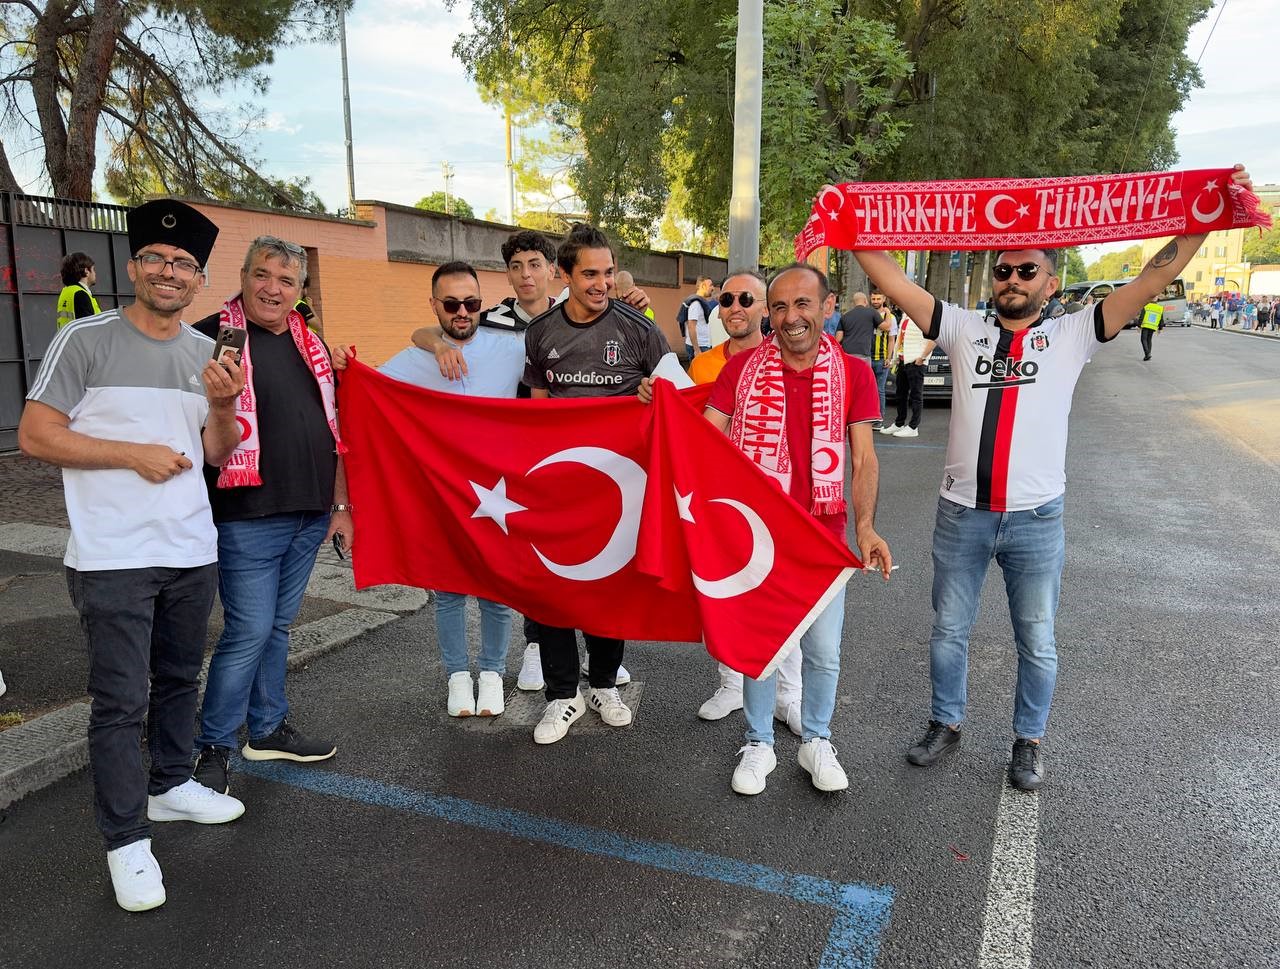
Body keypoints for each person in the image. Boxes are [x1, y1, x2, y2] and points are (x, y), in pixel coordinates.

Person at [850, 163, 1255, 792]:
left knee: (1036, 640)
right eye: (1003, 270)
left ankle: (1027, 740)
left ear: (1051, 281)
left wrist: (1207, 216)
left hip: (1037, 521)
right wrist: (850, 219)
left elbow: (1157, 274)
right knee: (948, 630)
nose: (1012, 280)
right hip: (962, 514)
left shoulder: (1074, 333)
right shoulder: (961, 327)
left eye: (1026, 270)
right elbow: (891, 276)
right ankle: (944, 722)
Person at [18, 199, 246, 912]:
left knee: (180, 677)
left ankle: (172, 784)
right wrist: (129, 453)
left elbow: (217, 449)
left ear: (199, 279)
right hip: (112, 554)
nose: (169, 271)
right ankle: (126, 840)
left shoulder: (206, 353)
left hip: (190, 547)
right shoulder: (84, 339)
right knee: (121, 701)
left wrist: (222, 406)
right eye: (156, 258)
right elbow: (34, 434)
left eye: (184, 264)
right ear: (134, 266)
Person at [644, 263, 892, 795]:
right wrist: (660, 403)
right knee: (764, 645)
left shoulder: (855, 372)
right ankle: (758, 743)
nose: (790, 317)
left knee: (824, 652)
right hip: (759, 535)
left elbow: (864, 458)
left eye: (802, 304)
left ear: (827, 308)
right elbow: (702, 444)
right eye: (779, 307)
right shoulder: (739, 373)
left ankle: (817, 740)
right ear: (769, 314)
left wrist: (866, 529)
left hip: (823, 539)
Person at [189, 236, 353, 799]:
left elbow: (334, 433)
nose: (273, 289)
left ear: (300, 290)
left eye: (286, 281)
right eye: (263, 275)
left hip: (308, 512)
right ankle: (213, 744)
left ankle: (266, 728)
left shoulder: (310, 340)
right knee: (250, 630)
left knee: (277, 628)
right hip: (248, 513)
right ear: (243, 275)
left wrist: (338, 507)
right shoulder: (216, 336)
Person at [350, 262, 522, 717]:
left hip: (495, 489)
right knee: (447, 590)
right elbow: (362, 392)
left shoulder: (510, 348)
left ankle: (492, 673)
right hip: (441, 492)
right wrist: (426, 340)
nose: (462, 312)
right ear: (434, 306)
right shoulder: (411, 362)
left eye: (471, 303)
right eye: (451, 304)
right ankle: (457, 677)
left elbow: (562, 357)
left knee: (496, 589)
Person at [522, 223, 670, 744]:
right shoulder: (540, 333)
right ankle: (563, 696)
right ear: (564, 275)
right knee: (556, 587)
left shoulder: (640, 329)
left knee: (612, 585)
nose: (602, 283)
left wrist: (659, 392)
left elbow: (679, 395)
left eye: (608, 272)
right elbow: (536, 419)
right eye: (590, 274)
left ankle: (604, 684)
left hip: (622, 488)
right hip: (561, 487)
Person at [686, 270, 803, 735]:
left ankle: (788, 694)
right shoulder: (703, 367)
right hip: (720, 502)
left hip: (779, 498)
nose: (735, 306)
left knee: (786, 595)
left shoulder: (790, 356)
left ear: (765, 309)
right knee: (725, 593)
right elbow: (689, 429)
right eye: (727, 298)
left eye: (747, 299)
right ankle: (731, 683)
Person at [881, 311, 934, 438]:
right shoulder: (906, 316)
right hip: (902, 360)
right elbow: (900, 339)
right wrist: (895, 359)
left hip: (915, 362)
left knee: (916, 396)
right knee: (900, 395)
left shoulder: (923, 316)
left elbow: (934, 338)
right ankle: (899, 423)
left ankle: (913, 427)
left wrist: (922, 358)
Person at [56, 252, 101, 328]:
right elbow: (88, 330)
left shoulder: (66, 292)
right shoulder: (81, 295)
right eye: (93, 269)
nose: (95, 273)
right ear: (86, 271)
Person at [679, 276, 717, 360]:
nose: (713, 288)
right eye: (710, 285)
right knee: (699, 373)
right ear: (703, 286)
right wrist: (697, 350)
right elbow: (691, 326)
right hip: (700, 347)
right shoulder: (696, 304)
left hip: (703, 345)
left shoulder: (701, 302)